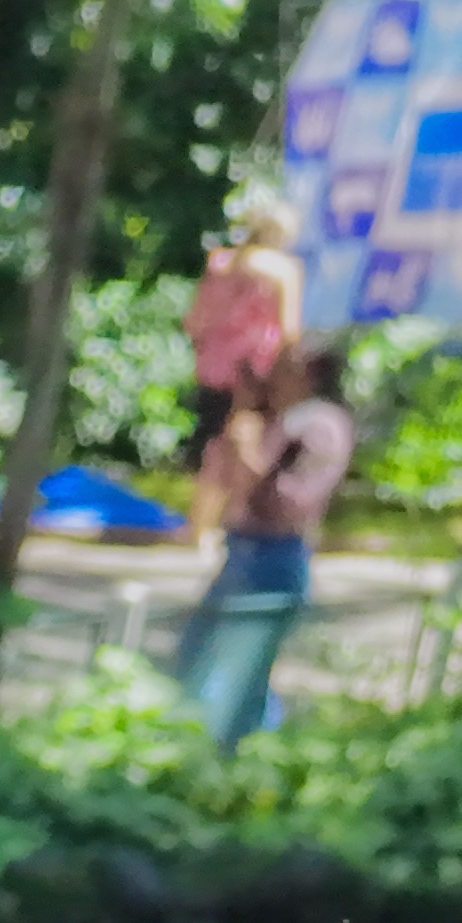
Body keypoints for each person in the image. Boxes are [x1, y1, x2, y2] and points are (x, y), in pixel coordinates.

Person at [187, 332, 357, 745]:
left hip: (270, 555)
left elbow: (283, 499)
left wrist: (247, 452)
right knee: (233, 662)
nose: (274, 374)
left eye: (285, 365)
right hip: (250, 550)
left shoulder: (316, 423)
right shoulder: (289, 418)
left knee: (224, 661)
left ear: (309, 372)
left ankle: (230, 752)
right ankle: (249, 751)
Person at [181, 184, 302, 475]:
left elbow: (195, 320)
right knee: (246, 441)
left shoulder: (221, 263)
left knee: (213, 441)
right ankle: (237, 512)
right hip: (255, 369)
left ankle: (202, 514)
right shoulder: (283, 269)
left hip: (214, 366)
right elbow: (289, 329)